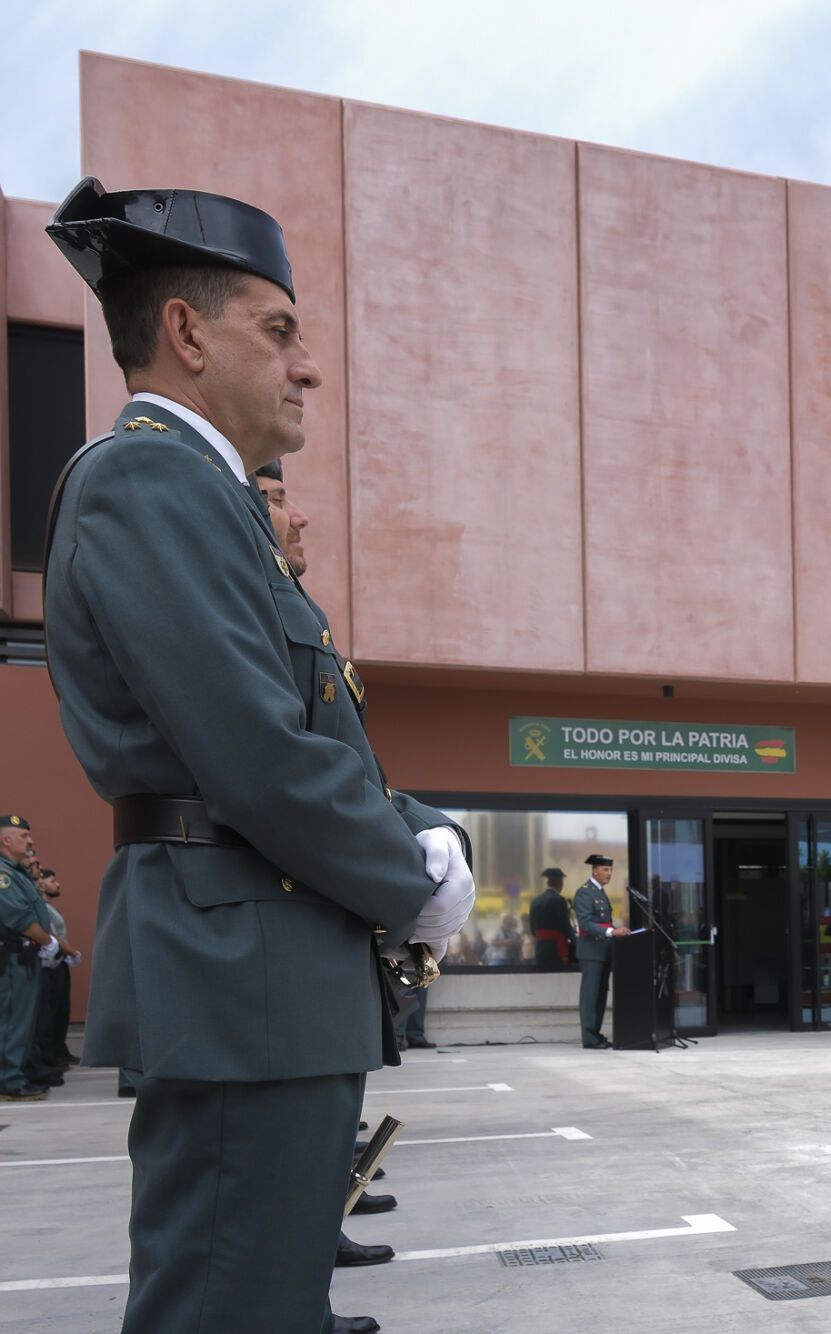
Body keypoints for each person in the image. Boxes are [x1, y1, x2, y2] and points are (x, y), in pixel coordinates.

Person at [41, 178, 475, 1332]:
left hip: (263, 973)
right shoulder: (148, 477)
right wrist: (410, 877)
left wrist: (419, 825)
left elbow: (288, 730)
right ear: (186, 333)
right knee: (227, 1307)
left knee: (268, 1300)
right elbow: (256, 753)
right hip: (240, 973)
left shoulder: (211, 496)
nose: (307, 366)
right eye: (278, 330)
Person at [1, 817, 70, 1101]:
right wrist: (48, 942)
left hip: (25, 957)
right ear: (6, 840)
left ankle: (18, 1074)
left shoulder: (16, 872)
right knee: (12, 1021)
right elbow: (18, 916)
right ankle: (9, 1081)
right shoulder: (3, 875)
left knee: (24, 1022)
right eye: (24, 835)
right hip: (12, 958)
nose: (30, 841)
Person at [575, 852, 629, 1047]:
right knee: (590, 996)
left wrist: (617, 931)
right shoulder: (584, 892)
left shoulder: (600, 892)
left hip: (603, 950)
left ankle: (596, 1034)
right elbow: (586, 923)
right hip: (591, 952)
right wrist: (612, 932)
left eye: (611, 869)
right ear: (595, 870)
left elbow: (605, 921)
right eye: (605, 869)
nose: (609, 873)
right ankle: (589, 1038)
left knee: (600, 996)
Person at [33, 865, 81, 1072]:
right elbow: (53, 936)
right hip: (50, 963)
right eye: (52, 880)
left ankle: (59, 1050)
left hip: (60, 961)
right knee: (51, 1010)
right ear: (42, 884)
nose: (58, 884)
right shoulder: (41, 907)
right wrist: (73, 952)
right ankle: (51, 1054)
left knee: (61, 1009)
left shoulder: (49, 907)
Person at [531, 867, 577, 969]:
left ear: (548, 883)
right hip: (556, 948)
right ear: (560, 883)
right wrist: (577, 943)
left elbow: (533, 930)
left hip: (540, 948)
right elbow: (565, 926)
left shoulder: (535, 901)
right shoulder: (559, 900)